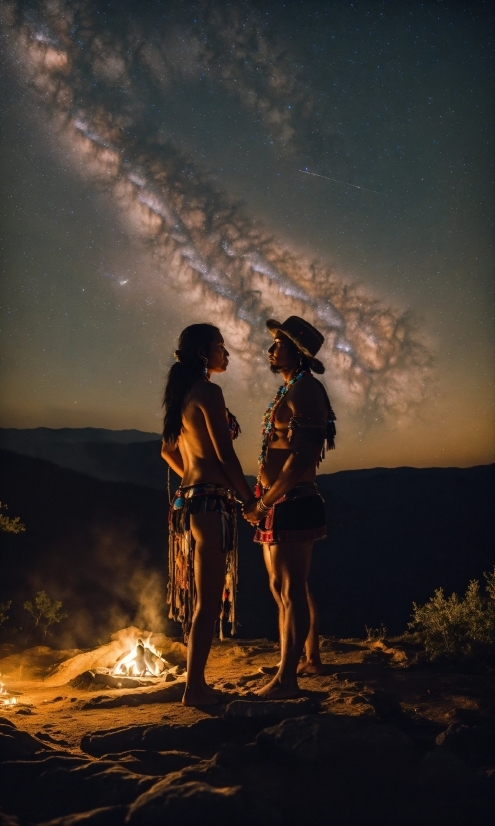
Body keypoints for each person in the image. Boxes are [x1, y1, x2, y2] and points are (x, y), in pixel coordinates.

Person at [161, 323, 255, 706]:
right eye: (221, 346)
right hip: (212, 504)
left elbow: (167, 451)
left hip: (189, 504)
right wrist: (249, 500)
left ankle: (194, 684)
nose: (226, 354)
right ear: (204, 353)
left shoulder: (182, 396)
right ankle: (194, 688)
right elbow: (225, 455)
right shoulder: (208, 392)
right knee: (208, 601)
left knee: (200, 599)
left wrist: (192, 477)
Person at [243, 316, 336, 698]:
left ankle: (286, 680)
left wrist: (264, 501)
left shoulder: (306, 392)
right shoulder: (290, 390)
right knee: (284, 588)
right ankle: (302, 658)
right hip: (278, 500)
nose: (271, 349)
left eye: (279, 344)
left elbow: (300, 462)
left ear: (296, 354)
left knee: (290, 589)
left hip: (291, 501)